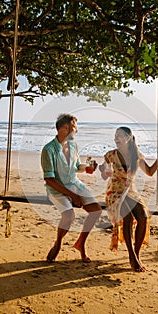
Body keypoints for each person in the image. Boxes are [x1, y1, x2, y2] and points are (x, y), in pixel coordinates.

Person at [99, 126, 158, 272]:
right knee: (127, 215)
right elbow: (104, 173)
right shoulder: (111, 155)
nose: (116, 138)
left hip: (131, 191)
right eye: (115, 136)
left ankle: (136, 253)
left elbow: (149, 172)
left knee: (143, 214)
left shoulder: (136, 156)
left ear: (128, 138)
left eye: (120, 136)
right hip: (115, 191)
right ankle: (132, 257)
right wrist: (104, 171)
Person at [41, 113, 102, 263]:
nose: (77, 130)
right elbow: (49, 179)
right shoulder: (48, 150)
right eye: (75, 127)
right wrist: (72, 196)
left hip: (74, 183)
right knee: (69, 216)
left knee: (96, 210)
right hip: (56, 188)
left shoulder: (74, 145)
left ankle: (80, 243)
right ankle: (58, 243)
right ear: (65, 128)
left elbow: (76, 167)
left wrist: (87, 168)